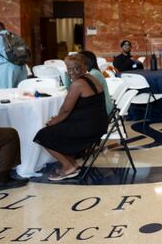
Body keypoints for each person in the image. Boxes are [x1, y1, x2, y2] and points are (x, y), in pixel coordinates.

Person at [34, 53, 108, 181]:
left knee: (43, 135)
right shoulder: (91, 77)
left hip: (90, 127)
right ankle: (73, 164)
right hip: (99, 123)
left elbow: (65, 109)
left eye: (76, 68)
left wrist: (55, 121)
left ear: (84, 66)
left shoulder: (78, 84)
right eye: (69, 69)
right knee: (57, 128)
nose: (72, 72)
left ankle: (68, 166)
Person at [64, 51, 113, 115]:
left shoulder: (94, 74)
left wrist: (68, 76)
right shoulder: (92, 73)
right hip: (97, 106)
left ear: (85, 63)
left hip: (103, 109)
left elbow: (71, 90)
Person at [0, 22, 27, 89]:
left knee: (2, 93)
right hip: (22, 66)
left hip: (7, 68)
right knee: (18, 93)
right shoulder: (15, 36)